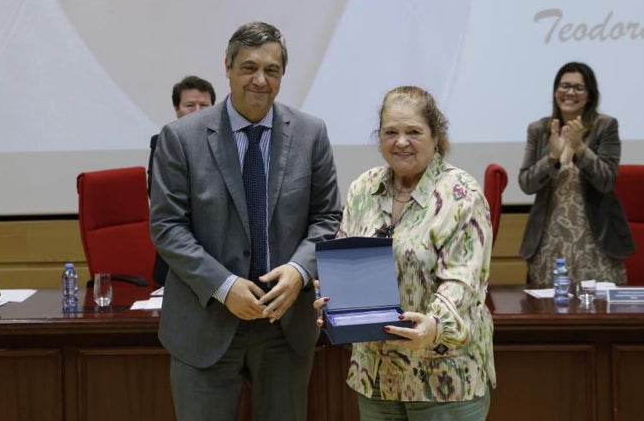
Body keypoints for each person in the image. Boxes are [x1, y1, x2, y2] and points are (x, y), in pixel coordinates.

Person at [149, 21, 342, 421]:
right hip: (205, 325)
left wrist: (299, 271)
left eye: (271, 70)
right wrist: (223, 286)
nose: (260, 80)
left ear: (282, 75)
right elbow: (167, 227)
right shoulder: (180, 138)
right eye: (248, 67)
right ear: (227, 67)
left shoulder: (311, 133)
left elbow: (327, 216)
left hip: (284, 326)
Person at [315, 86, 496, 420]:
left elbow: (464, 281)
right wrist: (331, 298)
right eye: (390, 132)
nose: (401, 142)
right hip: (376, 375)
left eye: (413, 132)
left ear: (436, 135)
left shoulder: (462, 194)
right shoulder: (363, 189)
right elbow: (345, 256)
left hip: (444, 375)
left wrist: (433, 325)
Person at [518, 62, 634, 286]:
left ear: (590, 95)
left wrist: (580, 147)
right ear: (555, 92)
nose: (570, 93)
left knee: (598, 313)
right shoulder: (539, 129)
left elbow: (606, 181)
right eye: (564, 86)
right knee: (547, 312)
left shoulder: (605, 126)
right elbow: (526, 184)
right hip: (549, 240)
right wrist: (552, 156)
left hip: (594, 240)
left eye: (578, 88)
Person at [148, 75, 216, 286]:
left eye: (204, 105)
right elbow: (157, 193)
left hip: (220, 257)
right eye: (189, 105)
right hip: (177, 257)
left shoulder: (230, 145)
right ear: (177, 109)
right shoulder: (162, 143)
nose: (197, 111)